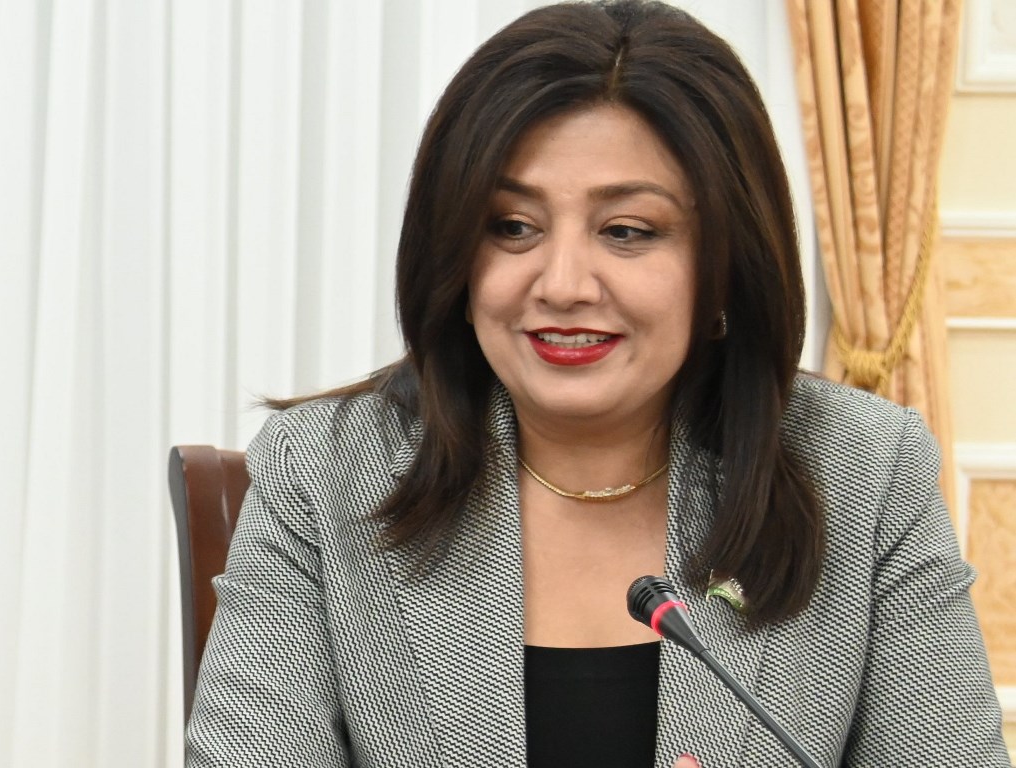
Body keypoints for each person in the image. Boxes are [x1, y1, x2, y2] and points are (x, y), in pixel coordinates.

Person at [184, 2, 1010, 766]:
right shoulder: (324, 472)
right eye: (512, 227)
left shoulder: (866, 472)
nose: (562, 284)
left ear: (725, 264)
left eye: (627, 231)